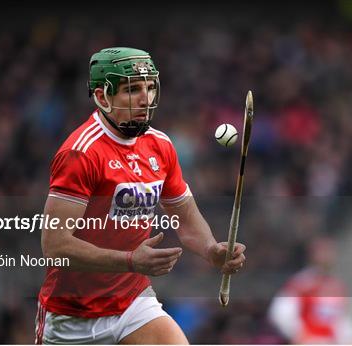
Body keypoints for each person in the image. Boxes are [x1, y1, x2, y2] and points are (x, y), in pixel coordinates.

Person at [35, 47, 246, 344]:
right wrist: (131, 259)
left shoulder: (160, 145)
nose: (145, 98)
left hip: (133, 302)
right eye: (132, 90)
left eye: (149, 87)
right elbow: (55, 245)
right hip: (72, 317)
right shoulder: (81, 153)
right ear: (102, 97)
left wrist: (212, 250)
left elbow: (185, 219)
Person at [267, 236, 352, 344]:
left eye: (330, 251)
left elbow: (341, 320)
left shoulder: (337, 286)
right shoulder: (300, 283)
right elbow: (280, 314)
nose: (327, 256)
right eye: (323, 251)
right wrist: (299, 334)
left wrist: (350, 340)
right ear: (312, 255)